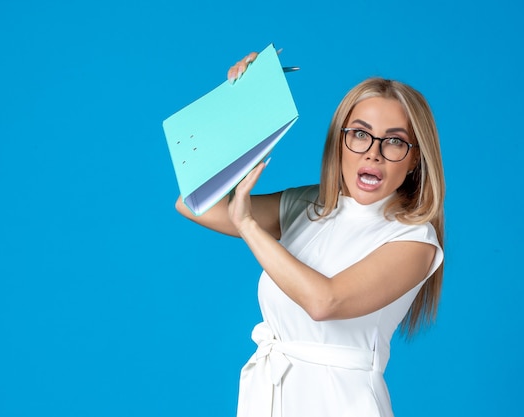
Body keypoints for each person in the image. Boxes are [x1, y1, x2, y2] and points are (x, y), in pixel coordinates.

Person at [174, 50, 445, 417]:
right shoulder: (309, 206)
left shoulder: (415, 241)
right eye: (360, 135)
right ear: (339, 141)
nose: (373, 154)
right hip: (271, 396)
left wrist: (249, 225)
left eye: (394, 141)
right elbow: (193, 201)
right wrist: (238, 103)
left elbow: (324, 303)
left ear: (415, 159)